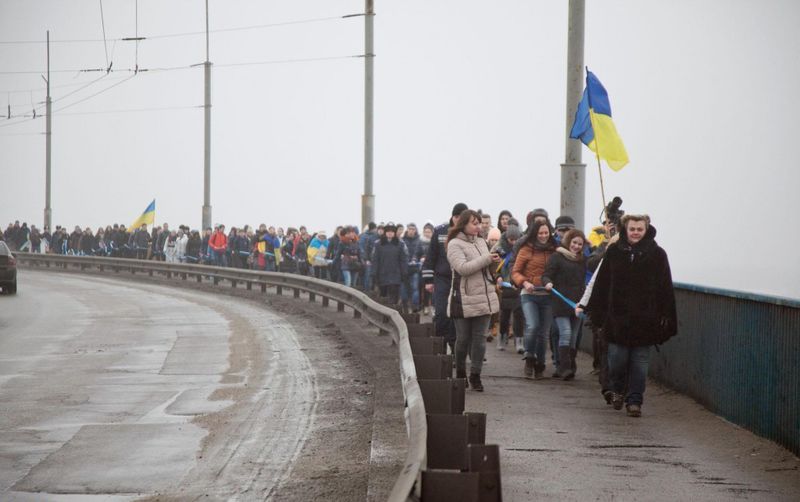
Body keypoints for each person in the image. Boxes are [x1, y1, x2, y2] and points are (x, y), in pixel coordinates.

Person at [584, 214, 677, 417]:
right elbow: (602, 284)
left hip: (646, 320)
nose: (635, 233)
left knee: (640, 364)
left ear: (646, 230)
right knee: (616, 360)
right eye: (632, 229)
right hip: (617, 319)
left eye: (639, 229)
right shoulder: (614, 253)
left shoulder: (657, 254)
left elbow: (665, 288)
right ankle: (617, 389)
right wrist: (596, 312)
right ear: (625, 230)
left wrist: (667, 316)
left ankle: (635, 401)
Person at [446, 209, 501, 392]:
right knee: (462, 339)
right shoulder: (454, 244)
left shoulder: (481, 242)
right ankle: (460, 373)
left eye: (479, 223)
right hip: (463, 298)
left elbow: (486, 269)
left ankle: (476, 375)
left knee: (480, 340)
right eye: (474, 223)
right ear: (464, 224)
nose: (478, 227)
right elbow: (462, 268)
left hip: (484, 297)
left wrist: (494, 262)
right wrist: (486, 258)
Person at [512, 219, 556, 379]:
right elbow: (515, 271)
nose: (544, 236)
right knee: (533, 326)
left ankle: (540, 364)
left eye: (546, 233)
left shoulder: (555, 250)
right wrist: (524, 282)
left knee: (543, 333)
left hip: (548, 296)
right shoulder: (526, 249)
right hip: (529, 294)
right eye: (540, 233)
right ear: (534, 234)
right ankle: (530, 357)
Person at [542, 229, 587, 380]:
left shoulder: (583, 260)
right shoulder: (557, 257)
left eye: (580, 244)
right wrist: (548, 283)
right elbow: (546, 275)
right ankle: (564, 366)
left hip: (577, 303)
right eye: (574, 242)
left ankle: (568, 366)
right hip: (561, 302)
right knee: (565, 332)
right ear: (568, 241)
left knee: (573, 337)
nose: (576, 246)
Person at [423, 203, 468, 354]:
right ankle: (440, 345)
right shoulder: (440, 231)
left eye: (461, 218)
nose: (458, 221)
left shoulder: (470, 233)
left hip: (462, 279)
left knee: (457, 316)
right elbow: (431, 257)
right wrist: (428, 281)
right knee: (442, 312)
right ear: (453, 217)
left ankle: (455, 348)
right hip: (442, 279)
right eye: (456, 217)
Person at [493, 220, 524, 352]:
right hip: (505, 285)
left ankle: (519, 341)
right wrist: (498, 277)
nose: (513, 242)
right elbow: (494, 266)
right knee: (504, 315)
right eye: (511, 239)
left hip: (518, 284)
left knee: (519, 314)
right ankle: (502, 337)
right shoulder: (499, 248)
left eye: (516, 239)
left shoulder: (523, 248)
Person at [371, 222, 407, 306]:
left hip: (395, 274)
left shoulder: (400, 244)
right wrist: (374, 273)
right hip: (382, 273)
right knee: (383, 296)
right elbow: (375, 260)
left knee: (394, 296)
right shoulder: (378, 244)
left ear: (394, 233)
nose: (390, 233)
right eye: (388, 231)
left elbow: (403, 260)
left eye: (392, 231)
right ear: (385, 232)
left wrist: (404, 272)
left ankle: (393, 312)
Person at [401, 223, 423, 312]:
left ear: (415, 230)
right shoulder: (402, 240)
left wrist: (419, 258)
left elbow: (422, 252)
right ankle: (405, 305)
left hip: (415, 267)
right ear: (407, 229)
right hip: (404, 267)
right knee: (404, 287)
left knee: (415, 287)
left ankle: (415, 306)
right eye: (410, 229)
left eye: (413, 229)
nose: (411, 231)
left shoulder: (419, 240)